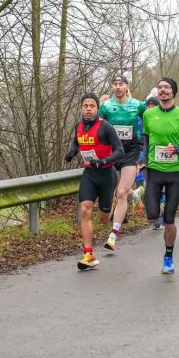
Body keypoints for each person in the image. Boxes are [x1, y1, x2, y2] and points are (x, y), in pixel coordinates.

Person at [139, 78, 179, 274]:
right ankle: (160, 207)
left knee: (169, 219)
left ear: (173, 92)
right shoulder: (148, 114)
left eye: (167, 88)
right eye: (160, 87)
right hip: (154, 169)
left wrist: (177, 149)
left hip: (176, 170)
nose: (163, 90)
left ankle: (168, 256)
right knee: (152, 215)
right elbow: (146, 140)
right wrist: (144, 159)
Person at [64, 93, 125, 270]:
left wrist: (104, 161)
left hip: (106, 175)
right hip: (89, 174)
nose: (89, 109)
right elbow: (77, 142)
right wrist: (73, 151)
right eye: (86, 106)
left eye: (92, 106)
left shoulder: (105, 127)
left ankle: (111, 204)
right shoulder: (79, 126)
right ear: (81, 108)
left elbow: (120, 151)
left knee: (104, 218)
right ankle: (88, 254)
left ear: (98, 108)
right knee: (85, 210)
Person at [98, 75, 146, 251]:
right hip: (112, 153)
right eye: (115, 84)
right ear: (112, 87)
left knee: (121, 192)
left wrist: (144, 143)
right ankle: (137, 196)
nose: (118, 87)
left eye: (121, 84)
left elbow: (148, 121)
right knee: (116, 190)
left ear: (127, 86)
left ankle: (113, 235)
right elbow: (97, 127)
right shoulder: (106, 107)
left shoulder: (138, 105)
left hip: (131, 152)